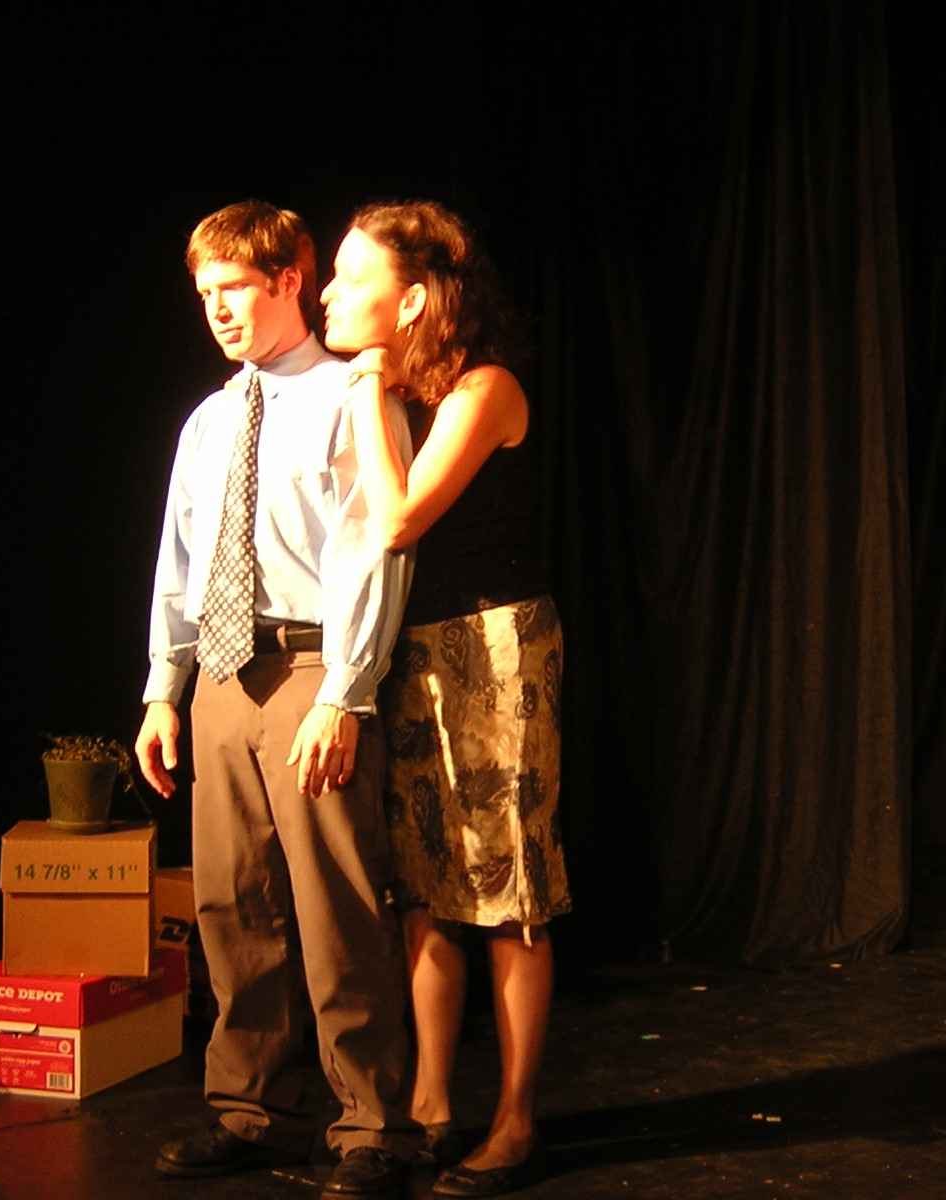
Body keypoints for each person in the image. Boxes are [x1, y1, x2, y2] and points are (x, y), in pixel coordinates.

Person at [135, 200, 419, 1197]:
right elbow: (178, 560)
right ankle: (252, 1108)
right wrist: (164, 690)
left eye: (234, 289)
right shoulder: (211, 419)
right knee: (230, 899)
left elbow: (374, 550)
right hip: (222, 669)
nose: (216, 310)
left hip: (310, 665)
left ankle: (372, 1123)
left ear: (289, 281)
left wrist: (345, 692)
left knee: (335, 900)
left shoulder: (352, 396)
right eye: (204, 293)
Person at [318, 201, 569, 1199]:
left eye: (352, 275)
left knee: (507, 893)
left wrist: (368, 388)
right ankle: (429, 1105)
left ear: (415, 299)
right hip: (415, 653)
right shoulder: (392, 393)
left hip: (497, 646)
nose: (331, 293)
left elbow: (398, 518)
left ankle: (514, 1122)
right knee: (424, 891)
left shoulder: (484, 388)